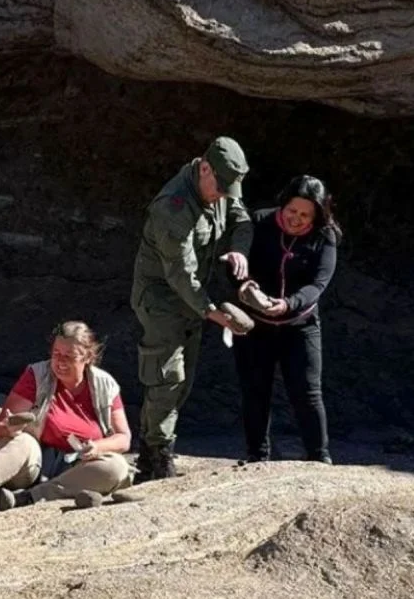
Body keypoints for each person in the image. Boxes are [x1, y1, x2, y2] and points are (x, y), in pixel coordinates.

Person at [0, 320, 132, 526]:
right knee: (23, 442)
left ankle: (27, 499)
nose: (60, 362)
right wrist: (9, 428)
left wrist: (98, 447)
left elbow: (123, 438)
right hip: (35, 463)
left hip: (79, 467)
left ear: (87, 357)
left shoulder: (105, 384)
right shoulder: (37, 375)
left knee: (117, 466)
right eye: (56, 353)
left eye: (69, 356)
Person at [131, 136, 255, 481]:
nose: (222, 196)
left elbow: (241, 218)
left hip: (191, 302)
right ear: (204, 168)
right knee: (168, 378)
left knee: (182, 382)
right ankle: (156, 457)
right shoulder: (172, 207)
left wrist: (240, 250)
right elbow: (180, 272)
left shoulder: (219, 190)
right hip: (162, 301)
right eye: (219, 186)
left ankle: (154, 449)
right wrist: (213, 312)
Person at [233, 175, 340, 464]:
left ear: (317, 215)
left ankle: (320, 458)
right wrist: (245, 286)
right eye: (292, 211)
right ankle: (257, 456)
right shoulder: (260, 222)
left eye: (305, 215)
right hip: (255, 324)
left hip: (299, 324)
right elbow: (236, 262)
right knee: (255, 390)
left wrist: (287, 305)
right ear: (283, 204)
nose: (296, 219)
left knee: (307, 392)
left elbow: (318, 285)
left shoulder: (325, 235)